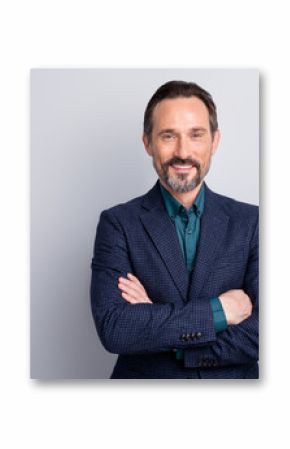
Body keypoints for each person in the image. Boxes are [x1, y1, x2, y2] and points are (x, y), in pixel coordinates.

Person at [90, 80, 259, 379]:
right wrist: (219, 311)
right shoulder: (117, 224)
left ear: (215, 141)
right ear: (148, 142)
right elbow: (116, 328)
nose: (183, 152)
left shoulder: (254, 222)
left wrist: (169, 337)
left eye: (196, 135)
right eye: (168, 136)